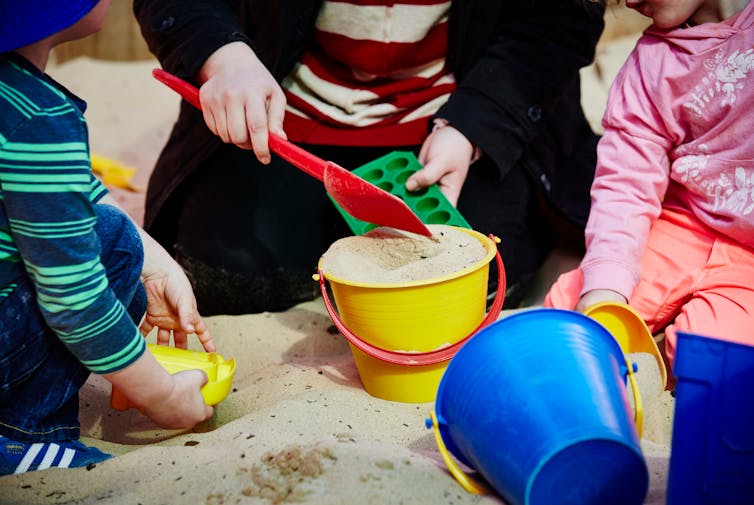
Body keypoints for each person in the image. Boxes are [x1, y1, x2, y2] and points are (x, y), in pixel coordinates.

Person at [133, 0, 605, 315]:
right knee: (227, 273)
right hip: (287, 115)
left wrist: (475, 126)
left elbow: (557, 22)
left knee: (476, 281)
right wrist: (224, 57)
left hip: (453, 117)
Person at [0, 0, 216, 475]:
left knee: (116, 239)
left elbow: (65, 190)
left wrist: (155, 262)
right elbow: (74, 301)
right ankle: (22, 433)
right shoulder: (35, 117)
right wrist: (164, 397)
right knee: (112, 242)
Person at [545, 0, 754, 366]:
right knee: (564, 316)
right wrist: (605, 286)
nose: (627, 1)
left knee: (711, 360)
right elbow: (624, 184)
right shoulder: (651, 63)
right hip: (682, 222)